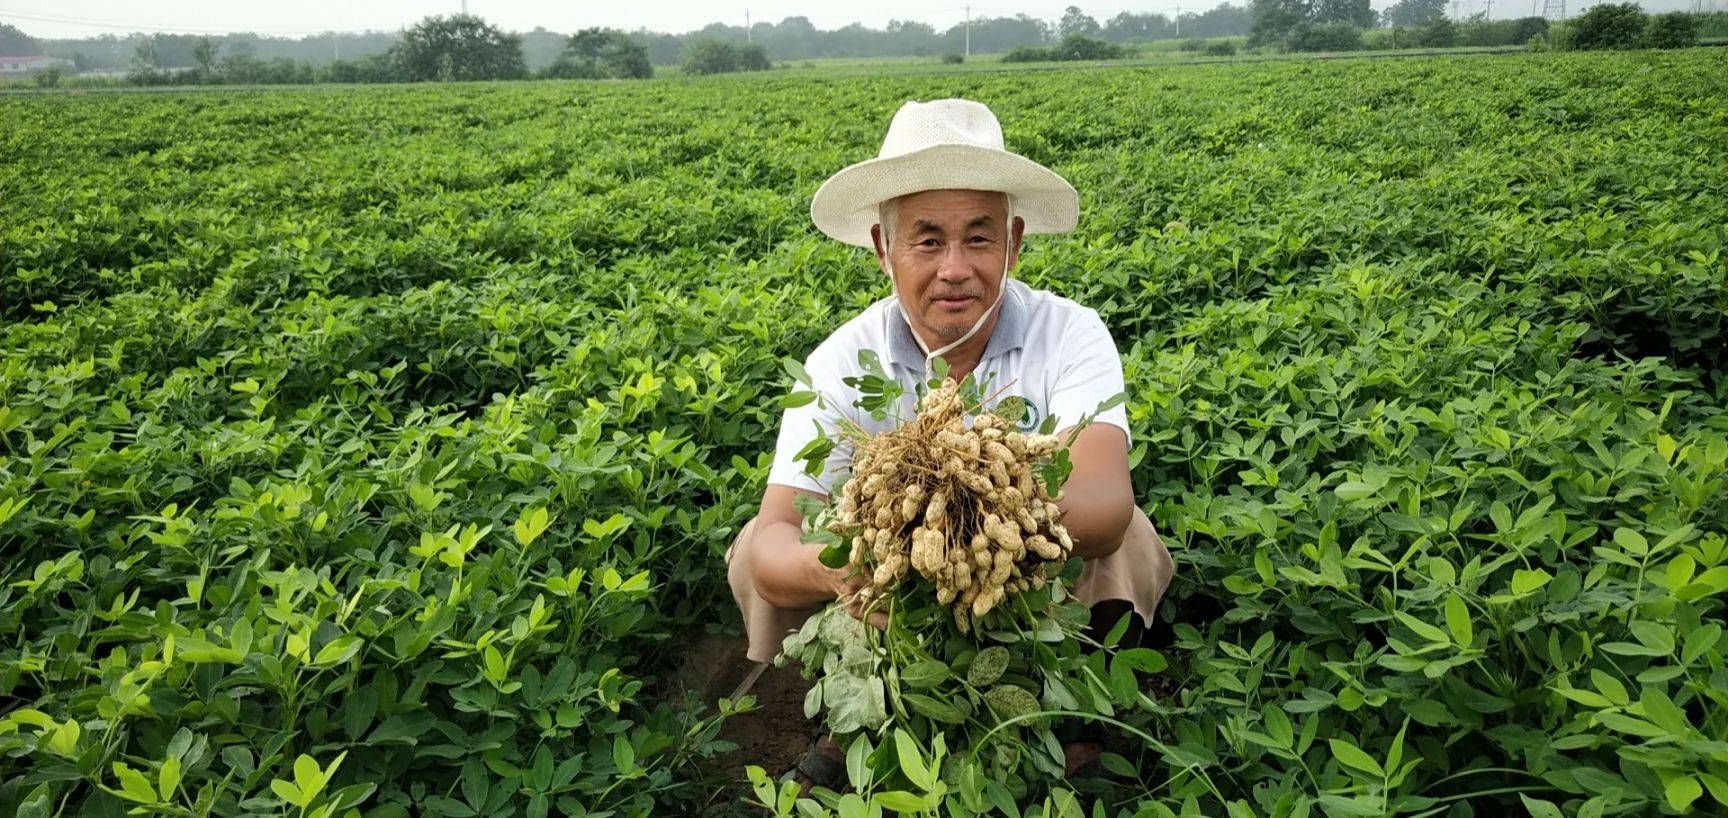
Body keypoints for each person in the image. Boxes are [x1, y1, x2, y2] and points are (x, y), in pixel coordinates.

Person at [726, 98, 1175, 788]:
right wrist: (847, 566)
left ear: (1015, 243)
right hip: (888, 585)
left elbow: (1106, 497)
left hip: (1031, 580)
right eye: (927, 240)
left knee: (1131, 535)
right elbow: (776, 538)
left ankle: (1081, 721)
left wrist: (988, 531)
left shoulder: (1070, 331)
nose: (956, 268)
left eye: (979, 237)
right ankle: (859, 710)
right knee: (759, 543)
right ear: (882, 249)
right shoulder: (843, 360)